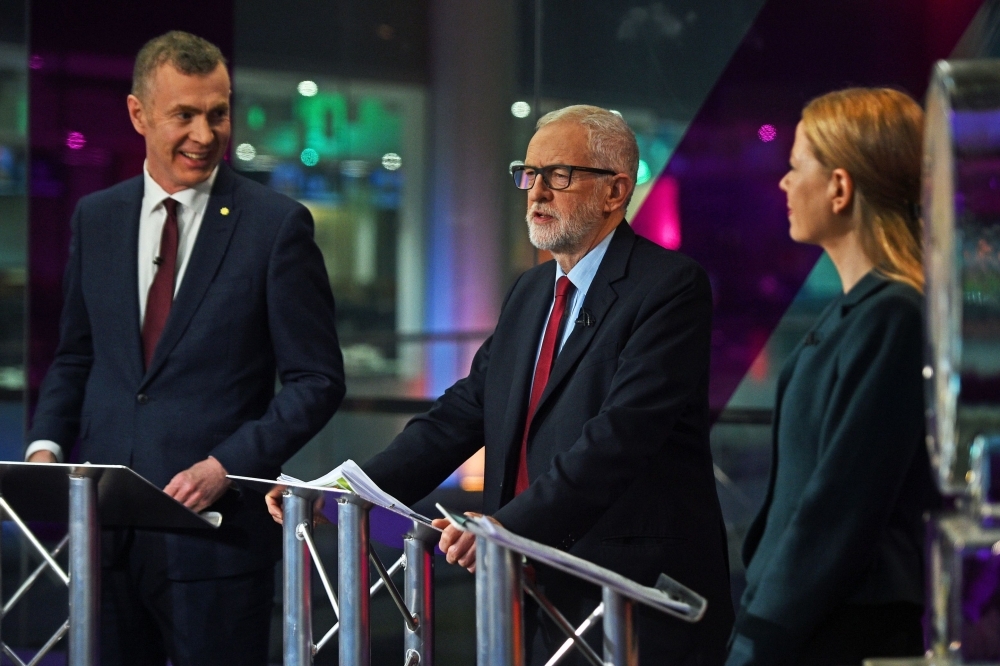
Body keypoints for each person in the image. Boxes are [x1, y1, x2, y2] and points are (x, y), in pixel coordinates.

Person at [270, 104, 734, 664]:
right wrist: (346, 489)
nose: (536, 192)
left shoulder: (669, 288)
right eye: (529, 173)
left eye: (558, 175)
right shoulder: (531, 291)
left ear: (615, 192)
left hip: (625, 595)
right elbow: (463, 412)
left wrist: (505, 530)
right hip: (525, 589)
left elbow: (620, 437)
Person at [26, 31, 345, 666]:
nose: (205, 133)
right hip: (105, 539)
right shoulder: (97, 217)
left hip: (217, 541)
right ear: (138, 114)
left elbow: (317, 380)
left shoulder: (276, 226)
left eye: (218, 113)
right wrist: (46, 448)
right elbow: (77, 356)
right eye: (185, 115)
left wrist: (227, 465)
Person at [725, 88, 939, 666]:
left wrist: (759, 637)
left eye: (797, 168)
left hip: (839, 631)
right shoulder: (867, 311)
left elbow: (841, 507)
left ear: (841, 188)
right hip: (817, 623)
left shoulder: (892, 315)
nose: (784, 184)